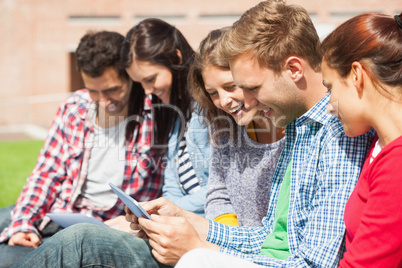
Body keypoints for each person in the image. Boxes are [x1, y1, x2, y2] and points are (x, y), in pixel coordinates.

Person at [12, 1, 374, 267]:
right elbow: (269, 238)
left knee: (78, 242)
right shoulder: (298, 129)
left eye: (248, 87)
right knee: (51, 235)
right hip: (232, 249)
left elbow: (309, 261)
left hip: (226, 257)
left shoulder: (337, 135)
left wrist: (199, 248)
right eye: (221, 92)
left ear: (294, 69)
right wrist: (187, 224)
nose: (241, 102)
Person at [0, 30, 164, 267]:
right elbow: (46, 174)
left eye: (112, 90)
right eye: (93, 91)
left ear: (130, 77)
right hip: (61, 212)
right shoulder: (74, 107)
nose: (104, 102)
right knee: (13, 223)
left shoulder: (156, 117)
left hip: (106, 229)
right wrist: (23, 224)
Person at [320, 12, 402, 267]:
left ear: (356, 75)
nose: (329, 107)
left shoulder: (397, 164)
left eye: (330, 87)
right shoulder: (379, 144)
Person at [188, 27, 285, 226]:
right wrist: (231, 235)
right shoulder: (226, 128)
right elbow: (218, 194)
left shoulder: (297, 131)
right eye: (213, 93)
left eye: (231, 86)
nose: (224, 101)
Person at [121, 18, 210, 216]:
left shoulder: (210, 108)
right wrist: (159, 214)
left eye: (150, 79)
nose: (147, 91)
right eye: (140, 83)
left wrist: (164, 212)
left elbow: (220, 190)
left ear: (176, 58)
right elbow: (172, 185)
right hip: (181, 222)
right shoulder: (177, 117)